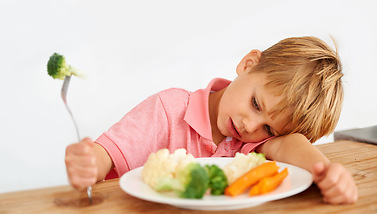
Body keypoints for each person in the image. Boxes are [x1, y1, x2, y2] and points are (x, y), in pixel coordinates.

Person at [65, 36, 358, 204]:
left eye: (269, 128)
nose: (250, 126)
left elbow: (290, 144)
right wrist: (89, 162)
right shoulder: (168, 110)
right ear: (248, 64)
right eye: (255, 104)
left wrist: (326, 171)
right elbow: (107, 155)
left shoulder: (253, 144)